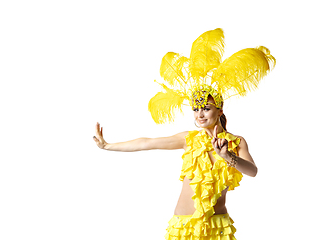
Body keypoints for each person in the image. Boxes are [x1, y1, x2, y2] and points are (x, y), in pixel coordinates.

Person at [93, 28, 275, 240]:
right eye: (196, 109)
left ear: (220, 110)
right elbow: (148, 143)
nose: (200, 114)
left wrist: (228, 157)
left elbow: (252, 171)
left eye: (206, 108)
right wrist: (108, 146)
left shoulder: (236, 142)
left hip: (218, 226)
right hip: (184, 226)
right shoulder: (188, 139)